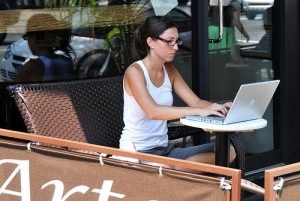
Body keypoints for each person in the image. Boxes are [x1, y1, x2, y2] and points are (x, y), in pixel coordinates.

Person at [119, 16, 235, 171]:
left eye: (177, 41)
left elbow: (196, 102)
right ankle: (174, 173)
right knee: (167, 167)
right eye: (169, 41)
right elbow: (153, 111)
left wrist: (219, 108)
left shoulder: (169, 69)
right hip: (138, 153)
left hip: (165, 150)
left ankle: (174, 172)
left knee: (228, 152)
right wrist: (200, 111)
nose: (175, 47)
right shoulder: (135, 72)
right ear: (150, 42)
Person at [15, 14, 75, 82]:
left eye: (27, 37)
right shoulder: (67, 62)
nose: (27, 41)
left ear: (34, 37)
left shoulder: (33, 66)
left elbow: (13, 89)